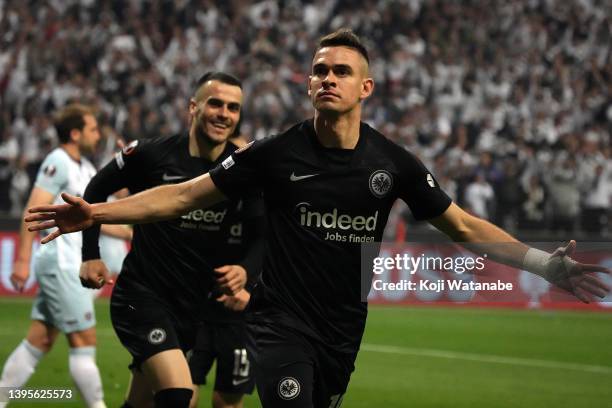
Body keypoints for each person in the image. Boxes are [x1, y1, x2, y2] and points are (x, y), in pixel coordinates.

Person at [25, 30, 610, 408]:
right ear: (308, 84)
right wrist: (95, 212)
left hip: (342, 328)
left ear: (366, 87)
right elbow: (180, 197)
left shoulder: (393, 163)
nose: (327, 77)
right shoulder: (275, 153)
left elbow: (463, 227)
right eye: (319, 70)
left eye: (340, 71)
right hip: (279, 324)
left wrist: (542, 264)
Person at [77, 72, 262, 408]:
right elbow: (95, 190)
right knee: (179, 395)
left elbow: (262, 233)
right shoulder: (152, 155)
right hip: (141, 298)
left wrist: (246, 271)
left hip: (192, 307)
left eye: (233, 108)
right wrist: (90, 254)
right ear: (193, 107)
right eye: (215, 103)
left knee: (141, 403)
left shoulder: (242, 169)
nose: (224, 114)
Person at [0, 104, 131, 408]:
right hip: (62, 264)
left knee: (40, 339)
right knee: (84, 341)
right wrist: (21, 260)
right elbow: (33, 209)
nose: (98, 135)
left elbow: (89, 217)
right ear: (75, 133)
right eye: (92, 129)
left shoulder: (83, 166)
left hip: (68, 264)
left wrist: (127, 232)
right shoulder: (58, 161)